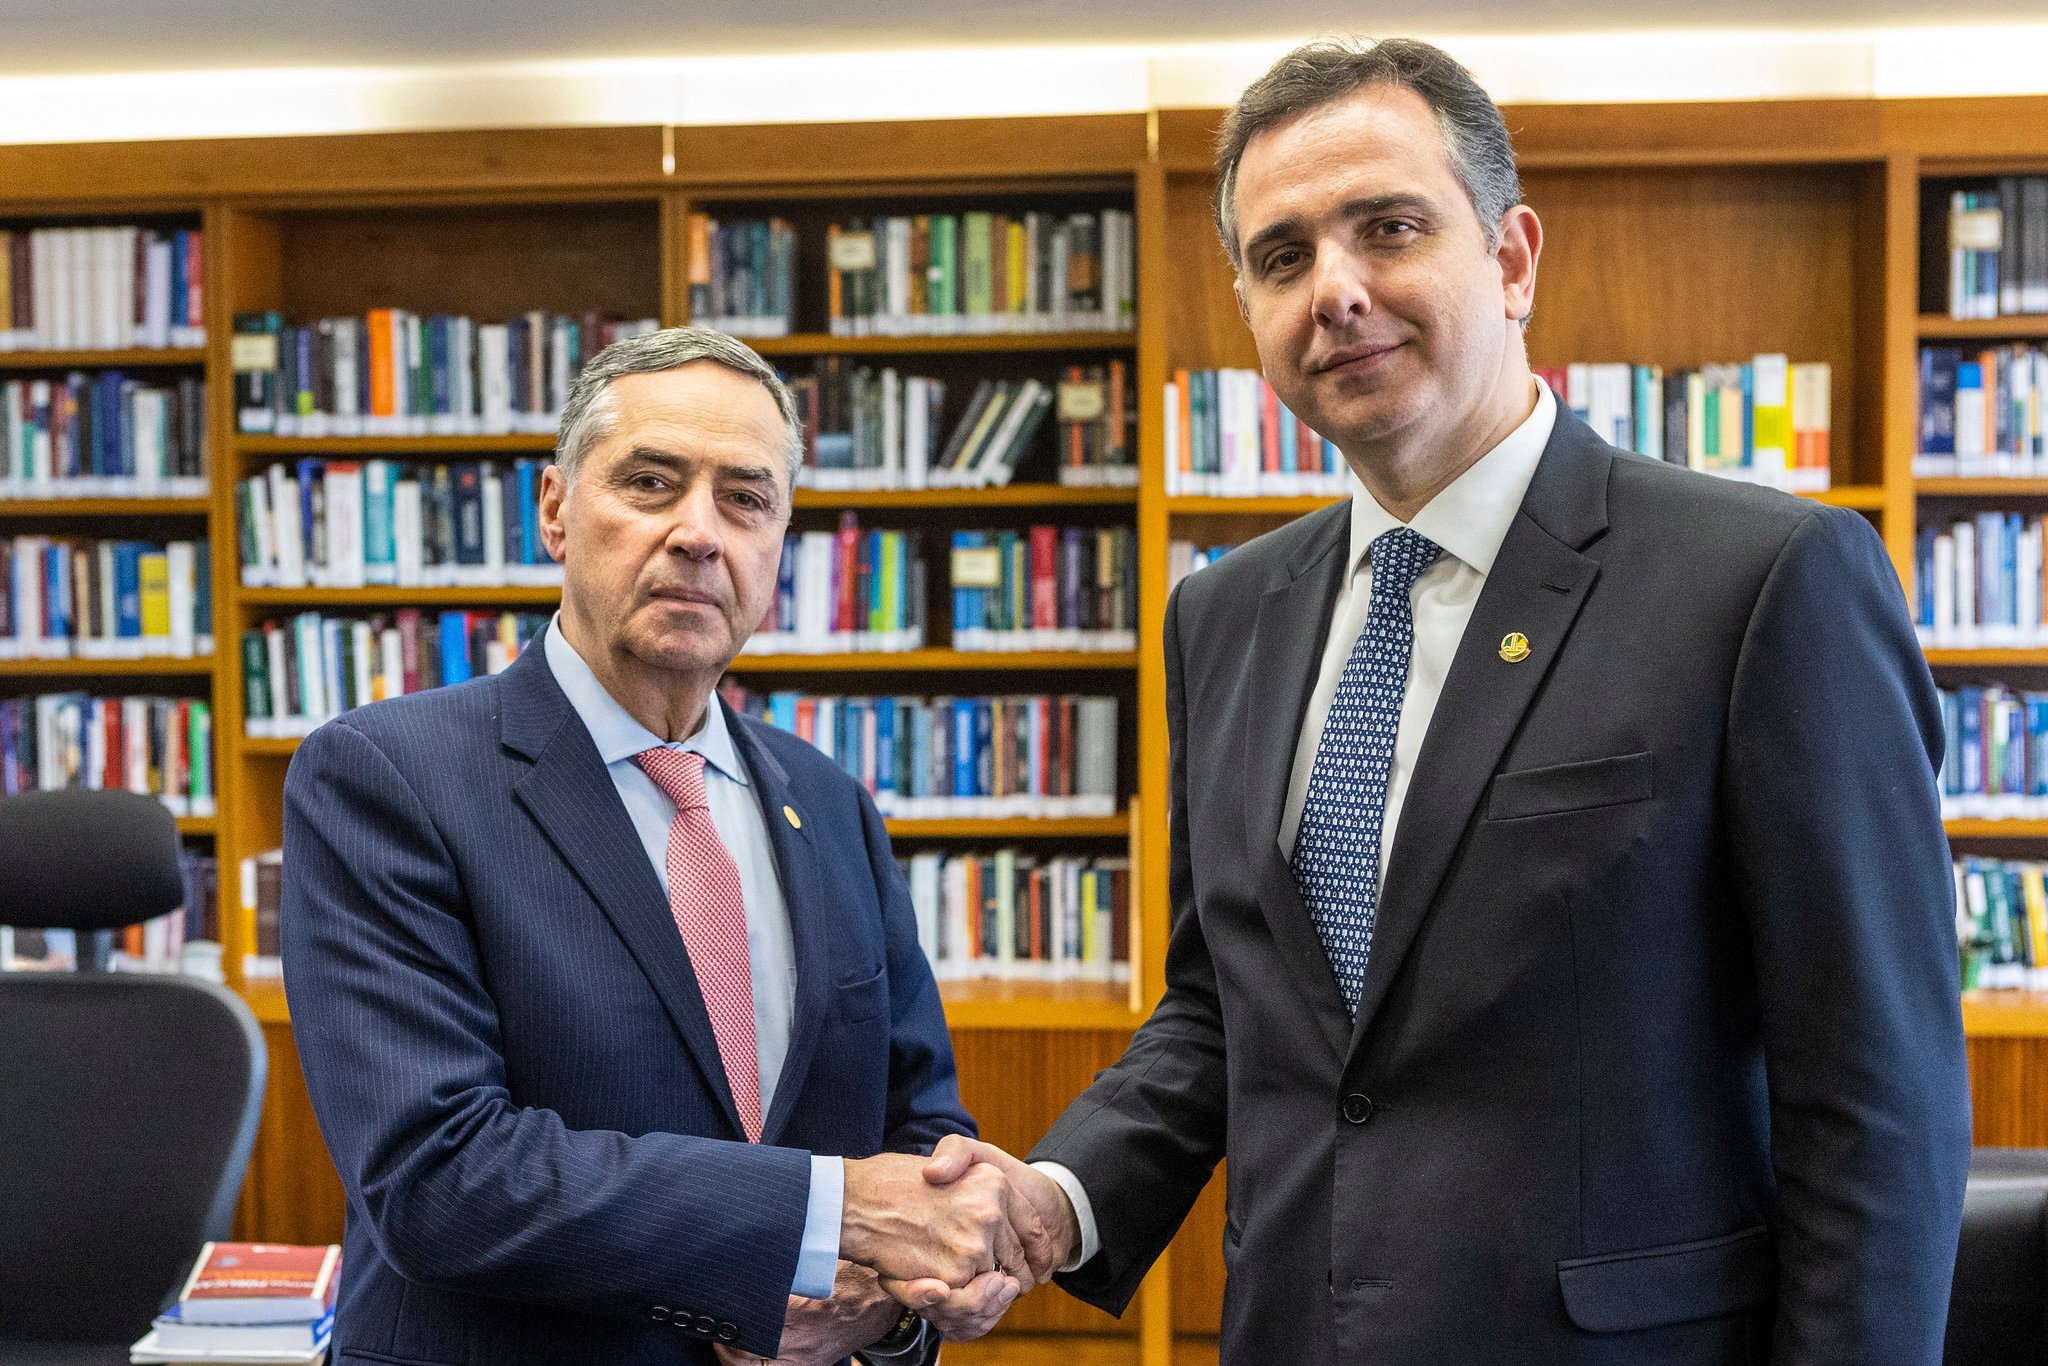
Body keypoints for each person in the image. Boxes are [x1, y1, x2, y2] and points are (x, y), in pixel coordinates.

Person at [906, 36, 1974, 1364]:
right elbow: (1222, 1005)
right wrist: (1051, 1201)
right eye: (1283, 257)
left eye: (1390, 228)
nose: (1336, 292)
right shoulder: (1222, 615)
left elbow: (1877, 1099)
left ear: (1514, 258)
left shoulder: (1763, 582)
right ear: (1247, 305)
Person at [282, 328, 1036, 1366]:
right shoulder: (385, 776)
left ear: (780, 540)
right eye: (650, 481)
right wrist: (822, 1217)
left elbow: (917, 1135)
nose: (698, 533)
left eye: (745, 498)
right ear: (553, 507)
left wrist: (896, 1302)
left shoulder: (830, 805)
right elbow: (437, 1177)